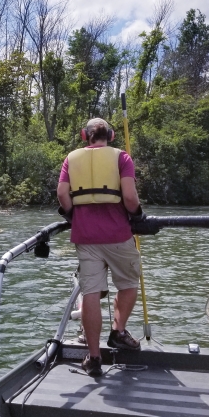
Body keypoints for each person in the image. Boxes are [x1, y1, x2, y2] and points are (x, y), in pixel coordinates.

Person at [57, 117, 142, 377]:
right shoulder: (122, 158)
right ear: (112, 135)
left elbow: (62, 195)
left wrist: (75, 216)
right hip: (118, 234)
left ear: (85, 136)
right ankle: (117, 332)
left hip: (86, 237)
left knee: (91, 294)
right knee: (128, 284)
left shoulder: (71, 158)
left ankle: (94, 359)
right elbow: (129, 197)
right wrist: (137, 214)